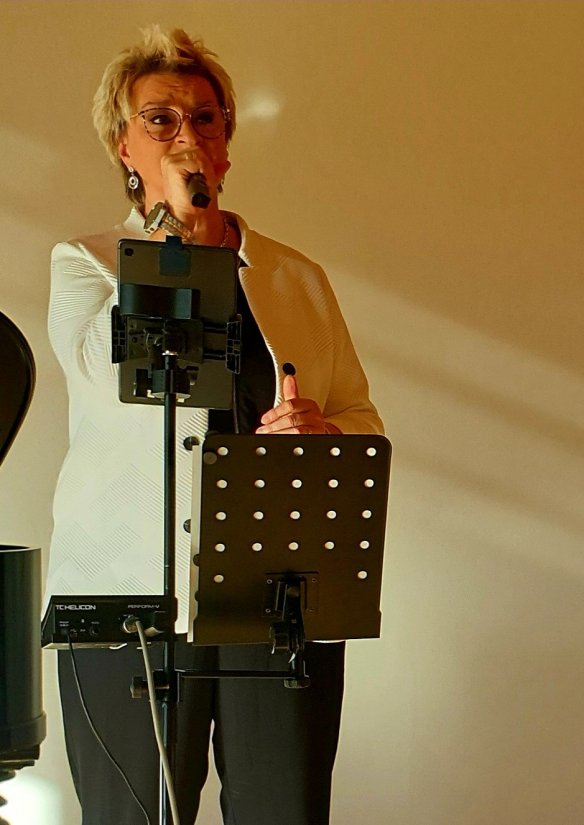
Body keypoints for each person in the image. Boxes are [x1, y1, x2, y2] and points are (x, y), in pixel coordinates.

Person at [46, 27, 381, 825]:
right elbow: (105, 374)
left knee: (283, 810)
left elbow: (359, 415)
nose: (186, 134)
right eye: (159, 120)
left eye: (204, 117)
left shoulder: (296, 277)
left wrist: (321, 437)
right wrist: (172, 238)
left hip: (277, 594)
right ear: (123, 146)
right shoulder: (86, 263)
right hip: (129, 598)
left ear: (227, 140)